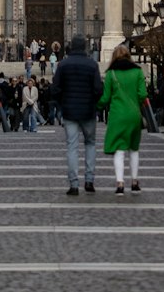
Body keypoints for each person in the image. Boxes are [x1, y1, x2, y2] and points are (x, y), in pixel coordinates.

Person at [51, 33, 103, 196]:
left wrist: (62, 103)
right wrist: (93, 102)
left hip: (70, 110)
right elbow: (98, 89)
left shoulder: (63, 64)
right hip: (88, 110)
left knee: (72, 147)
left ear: (71, 47)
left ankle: (74, 184)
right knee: (90, 144)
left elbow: (55, 88)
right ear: (85, 47)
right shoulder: (92, 64)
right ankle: (89, 180)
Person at [99, 43, 148, 194]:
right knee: (134, 149)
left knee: (119, 150)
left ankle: (120, 183)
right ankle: (134, 182)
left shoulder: (111, 73)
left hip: (117, 115)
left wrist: (96, 106)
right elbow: (142, 95)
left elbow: (105, 98)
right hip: (134, 115)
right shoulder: (138, 72)